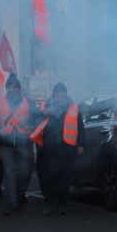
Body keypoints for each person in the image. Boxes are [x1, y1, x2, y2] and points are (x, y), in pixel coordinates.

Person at [30, 82, 85, 215]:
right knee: (52, 175)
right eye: (57, 92)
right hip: (51, 147)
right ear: (53, 94)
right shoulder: (46, 106)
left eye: (62, 92)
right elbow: (34, 121)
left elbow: (80, 127)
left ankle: (61, 205)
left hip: (68, 147)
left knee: (65, 178)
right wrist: (45, 112)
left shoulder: (74, 108)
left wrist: (81, 144)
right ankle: (48, 203)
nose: (59, 94)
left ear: (65, 93)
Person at [0, 73, 39, 215]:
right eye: (9, 87)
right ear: (6, 88)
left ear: (19, 89)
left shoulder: (28, 101)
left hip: (24, 142)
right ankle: (12, 203)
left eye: (15, 87)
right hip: (4, 144)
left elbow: (37, 117)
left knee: (24, 173)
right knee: (9, 173)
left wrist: (29, 121)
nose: (12, 89)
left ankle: (20, 194)